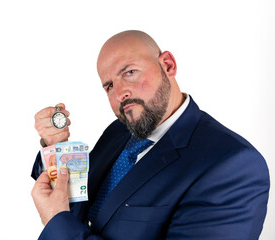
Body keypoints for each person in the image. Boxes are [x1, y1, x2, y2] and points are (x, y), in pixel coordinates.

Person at [30, 30, 270, 239]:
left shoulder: (232, 166)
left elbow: (63, 221)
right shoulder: (119, 132)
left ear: (168, 65)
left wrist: (55, 222)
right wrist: (56, 147)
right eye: (109, 86)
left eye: (130, 72)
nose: (119, 93)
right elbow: (80, 205)